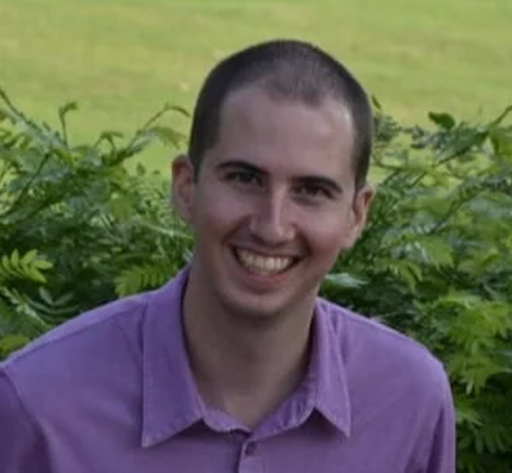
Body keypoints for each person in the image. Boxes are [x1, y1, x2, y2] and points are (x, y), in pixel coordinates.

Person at [0, 39, 456, 472]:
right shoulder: (40, 406)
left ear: (356, 215)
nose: (272, 226)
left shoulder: (408, 401)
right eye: (245, 178)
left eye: (312, 190)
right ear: (186, 188)